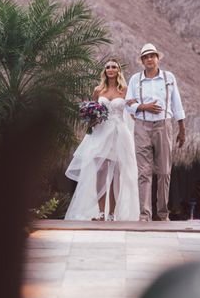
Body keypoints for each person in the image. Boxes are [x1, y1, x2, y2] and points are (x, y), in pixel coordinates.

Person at [65, 60, 140, 221]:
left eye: (113, 66)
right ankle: (100, 213)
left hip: (119, 134)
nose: (110, 69)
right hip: (101, 134)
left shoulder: (125, 90)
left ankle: (112, 214)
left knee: (116, 174)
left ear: (118, 70)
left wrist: (132, 106)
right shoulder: (98, 90)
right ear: (104, 71)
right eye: (107, 67)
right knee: (100, 172)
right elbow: (92, 112)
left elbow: (130, 111)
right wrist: (90, 117)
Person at [125, 43, 185, 221]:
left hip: (164, 126)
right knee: (144, 172)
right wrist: (143, 106)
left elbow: (177, 103)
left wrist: (182, 129)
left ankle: (163, 213)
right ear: (142, 61)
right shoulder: (135, 79)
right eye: (146, 57)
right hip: (142, 126)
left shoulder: (168, 77)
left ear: (157, 58)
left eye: (152, 56)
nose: (149, 59)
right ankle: (144, 215)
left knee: (164, 171)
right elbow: (128, 104)